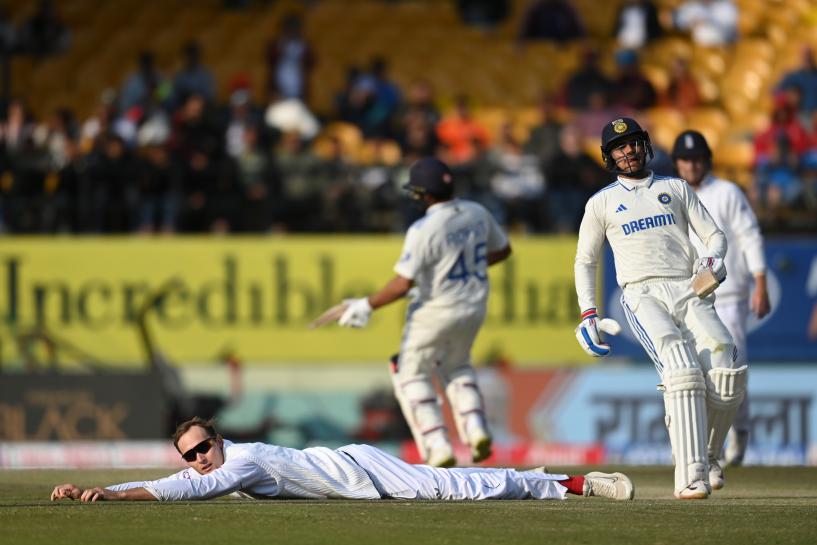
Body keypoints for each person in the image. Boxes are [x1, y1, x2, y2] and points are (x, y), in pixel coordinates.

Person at [574, 117, 746, 499]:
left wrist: (712, 260)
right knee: (681, 369)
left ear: (645, 146)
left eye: (633, 144)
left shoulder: (675, 187)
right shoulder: (601, 202)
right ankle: (691, 477)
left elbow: (714, 235)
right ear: (609, 156)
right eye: (620, 147)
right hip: (641, 293)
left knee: (725, 366)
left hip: (688, 286)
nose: (628, 152)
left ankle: (710, 455)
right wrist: (588, 313)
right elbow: (585, 261)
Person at [336, 157, 511, 468]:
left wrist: (366, 304)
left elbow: (403, 283)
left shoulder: (423, 228)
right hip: (473, 306)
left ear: (422, 194)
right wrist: (464, 273)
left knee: (408, 372)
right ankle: (476, 428)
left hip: (435, 310)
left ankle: (436, 443)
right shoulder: (477, 212)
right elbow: (502, 250)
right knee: (457, 366)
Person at [50, 417, 634, 502]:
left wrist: (122, 497)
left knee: (455, 489)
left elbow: (189, 491)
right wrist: (99, 491)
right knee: (455, 483)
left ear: (219, 440)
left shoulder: (241, 461)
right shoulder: (220, 461)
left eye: (203, 447)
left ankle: (570, 484)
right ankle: (544, 480)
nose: (198, 459)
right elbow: (171, 480)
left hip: (362, 472)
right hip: (353, 471)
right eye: (190, 454)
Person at [672, 130, 770, 466]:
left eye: (697, 158)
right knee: (694, 372)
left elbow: (748, 235)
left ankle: (738, 430)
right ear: (677, 163)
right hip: (690, 295)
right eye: (685, 159)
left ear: (707, 160)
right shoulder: (672, 194)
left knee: (729, 368)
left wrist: (760, 281)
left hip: (728, 295)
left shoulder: (726, 193)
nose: (691, 165)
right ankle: (703, 445)